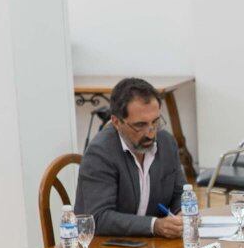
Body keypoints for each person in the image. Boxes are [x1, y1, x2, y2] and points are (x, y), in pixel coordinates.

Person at [74, 77, 187, 239]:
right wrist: (154, 225)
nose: (151, 133)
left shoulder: (166, 143)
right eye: (140, 125)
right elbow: (98, 218)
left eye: (155, 122)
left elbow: (180, 193)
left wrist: (183, 213)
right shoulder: (100, 153)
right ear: (116, 122)